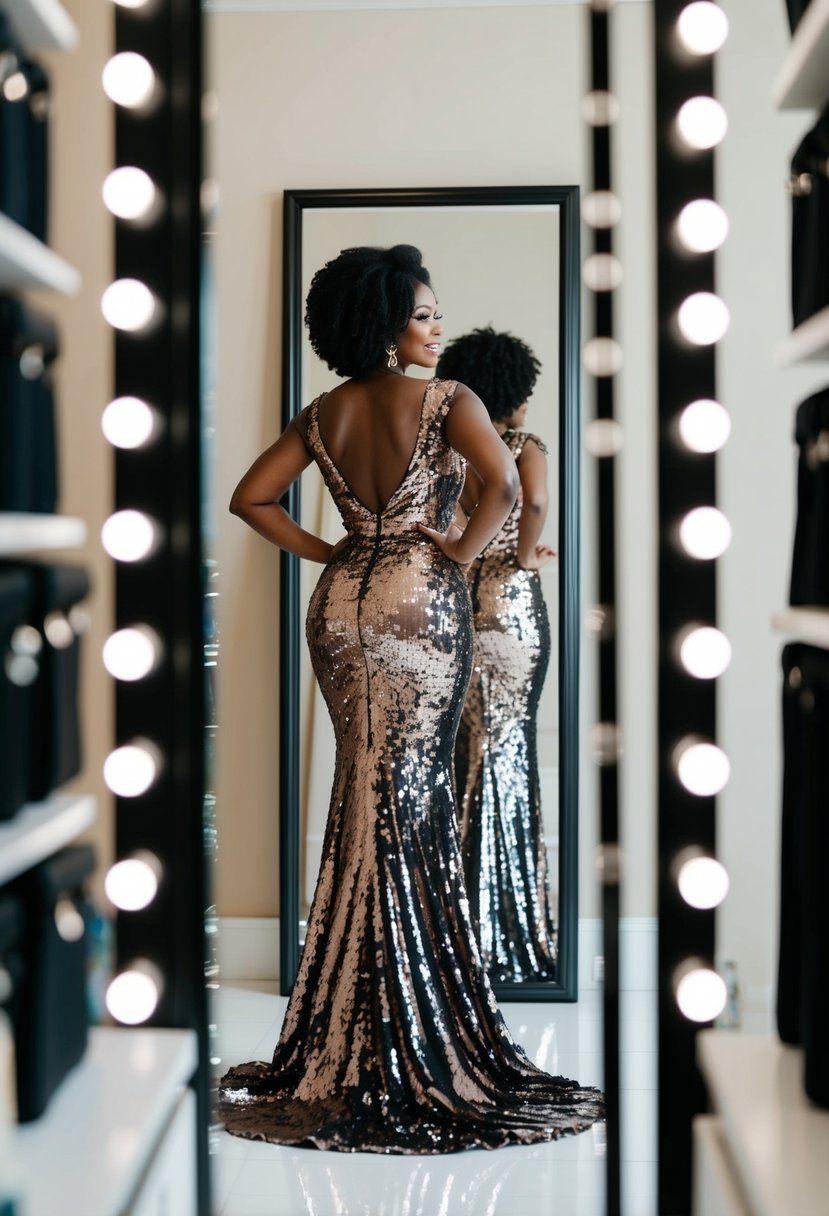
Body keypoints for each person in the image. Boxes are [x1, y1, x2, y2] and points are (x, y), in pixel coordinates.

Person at [220, 245, 602, 1152]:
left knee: (362, 791)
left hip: (340, 608)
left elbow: (251, 498)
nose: (437, 330)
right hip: (416, 602)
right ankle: (415, 1026)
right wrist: (457, 556)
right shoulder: (448, 401)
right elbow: (505, 488)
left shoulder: (323, 412)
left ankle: (343, 1022)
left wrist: (332, 554)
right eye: (425, 315)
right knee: (415, 793)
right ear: (388, 324)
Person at [437, 327, 558, 985]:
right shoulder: (520, 445)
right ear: (512, 393)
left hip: (454, 599)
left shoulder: (447, 449)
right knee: (505, 751)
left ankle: (454, 926)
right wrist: (518, 555)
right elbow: (531, 499)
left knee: (460, 752)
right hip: (509, 607)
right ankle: (499, 932)